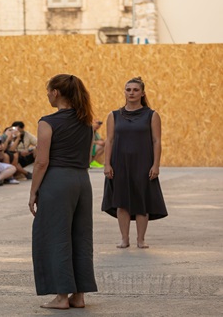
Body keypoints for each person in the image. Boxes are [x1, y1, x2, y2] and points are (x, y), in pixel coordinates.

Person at [28, 74, 98, 309]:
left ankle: (60, 297)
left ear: (56, 92)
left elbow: (41, 162)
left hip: (57, 181)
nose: (47, 94)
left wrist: (33, 192)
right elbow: (88, 157)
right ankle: (78, 296)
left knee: (55, 236)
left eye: (48, 91)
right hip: (81, 180)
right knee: (80, 237)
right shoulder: (86, 122)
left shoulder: (48, 122)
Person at [102, 77, 167, 249]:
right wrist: (106, 164)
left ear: (143, 93)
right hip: (119, 164)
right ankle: (124, 239)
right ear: (124, 92)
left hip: (143, 163)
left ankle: (141, 239)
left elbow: (156, 141)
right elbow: (109, 140)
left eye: (135, 90)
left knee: (141, 201)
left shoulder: (152, 115)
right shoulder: (113, 115)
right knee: (121, 202)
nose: (131, 93)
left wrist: (156, 165)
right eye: (128, 89)